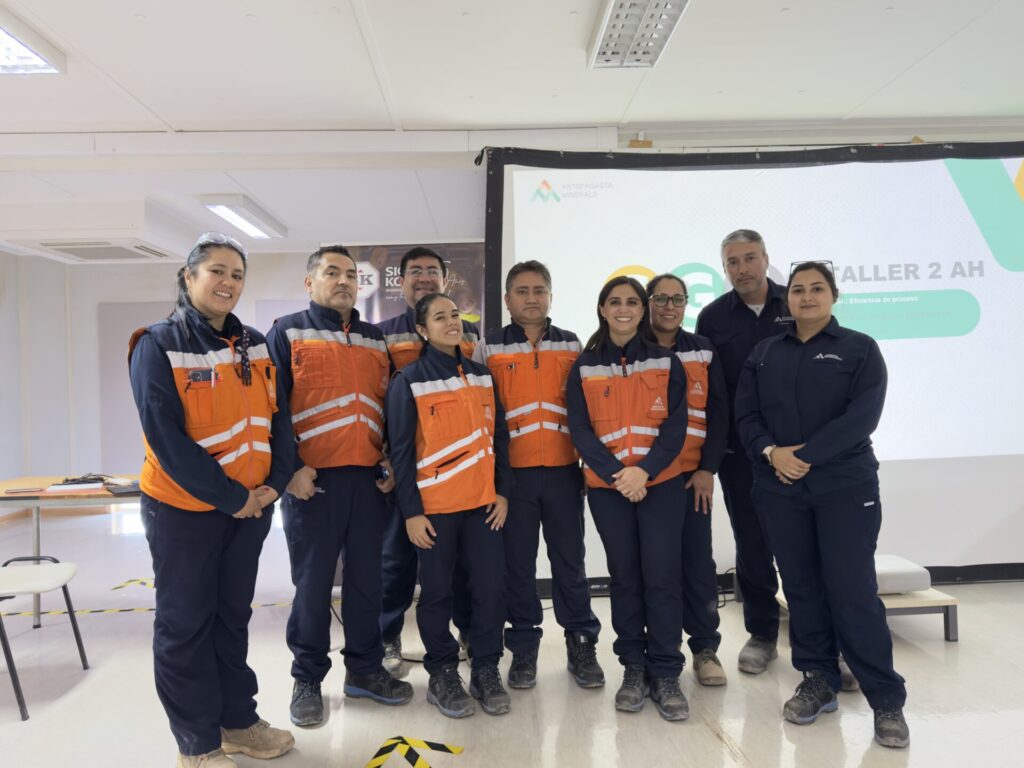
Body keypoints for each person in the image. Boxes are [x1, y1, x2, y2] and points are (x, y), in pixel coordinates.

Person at [128, 232, 295, 768]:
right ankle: (197, 745)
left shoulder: (254, 343)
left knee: (231, 618)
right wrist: (230, 497)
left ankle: (238, 722)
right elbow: (166, 439)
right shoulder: (157, 344)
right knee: (186, 625)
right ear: (189, 276)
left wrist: (275, 484)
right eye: (217, 271)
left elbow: (278, 421)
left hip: (250, 509)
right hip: (185, 510)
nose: (228, 282)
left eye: (237, 274)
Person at [734, 261, 909, 748]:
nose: (806, 297)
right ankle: (818, 679)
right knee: (802, 588)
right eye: (798, 290)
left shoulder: (859, 348)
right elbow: (746, 414)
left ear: (834, 295)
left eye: (816, 288)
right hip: (779, 487)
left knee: (852, 590)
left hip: (844, 486)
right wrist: (772, 453)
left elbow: (862, 418)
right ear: (786, 298)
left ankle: (886, 699)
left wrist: (804, 456)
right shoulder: (765, 353)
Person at [266, 245, 413, 728]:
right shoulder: (288, 332)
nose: (344, 281)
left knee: (367, 583)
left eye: (351, 274)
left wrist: (388, 457)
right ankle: (307, 678)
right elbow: (271, 407)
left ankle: (364, 671)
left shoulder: (374, 339)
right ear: (310, 282)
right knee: (312, 587)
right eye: (332, 272)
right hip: (314, 483)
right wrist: (290, 469)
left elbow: (387, 406)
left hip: (368, 482)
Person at [473, 261, 604, 691]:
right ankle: (524, 647)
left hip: (565, 472)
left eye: (539, 290)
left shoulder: (572, 344)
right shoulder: (488, 347)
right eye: (522, 291)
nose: (532, 298)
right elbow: (478, 412)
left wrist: (587, 464)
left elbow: (589, 410)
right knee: (518, 566)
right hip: (513, 479)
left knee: (571, 563)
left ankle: (581, 643)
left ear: (550, 296)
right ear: (507, 299)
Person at [566, 276, 690, 722]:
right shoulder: (583, 366)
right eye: (615, 301)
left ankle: (666, 671)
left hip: (661, 485)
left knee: (662, 577)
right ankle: (633, 668)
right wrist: (620, 475)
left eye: (632, 302)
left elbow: (676, 426)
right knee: (625, 577)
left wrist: (645, 471)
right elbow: (580, 429)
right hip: (610, 488)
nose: (624, 308)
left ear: (643, 309)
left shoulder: (666, 361)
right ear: (603, 309)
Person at [385, 293, 513, 718]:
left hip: (483, 507)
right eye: (440, 317)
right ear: (423, 330)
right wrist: (411, 513)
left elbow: (499, 438)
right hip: (435, 511)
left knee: (489, 590)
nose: (452, 322)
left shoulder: (482, 376)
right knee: (437, 594)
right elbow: (401, 453)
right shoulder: (408, 380)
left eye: (455, 314)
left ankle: (486, 667)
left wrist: (502, 491)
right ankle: (442, 673)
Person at [377, 247, 477, 677]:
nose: (423, 277)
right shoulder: (381, 335)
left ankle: (467, 631)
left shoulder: (469, 332)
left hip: (456, 472)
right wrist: (385, 458)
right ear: (400, 281)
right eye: (414, 271)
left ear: (443, 279)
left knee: (460, 564)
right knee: (396, 561)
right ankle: (388, 638)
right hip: (403, 470)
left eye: (431, 271)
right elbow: (375, 397)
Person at [695, 229, 791, 675]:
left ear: (766, 259)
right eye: (732, 262)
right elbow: (711, 394)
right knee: (751, 545)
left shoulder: (796, 302)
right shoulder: (712, 318)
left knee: (802, 545)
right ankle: (763, 635)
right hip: (740, 454)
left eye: (750, 258)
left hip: (795, 451)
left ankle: (820, 639)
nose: (742, 268)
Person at [646, 273, 729, 687]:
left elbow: (719, 413)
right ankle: (658, 650)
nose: (669, 306)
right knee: (653, 568)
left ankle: (704, 648)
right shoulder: (630, 351)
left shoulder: (703, 350)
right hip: (646, 479)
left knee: (697, 564)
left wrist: (707, 469)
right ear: (648, 302)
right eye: (661, 298)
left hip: (691, 477)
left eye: (677, 299)